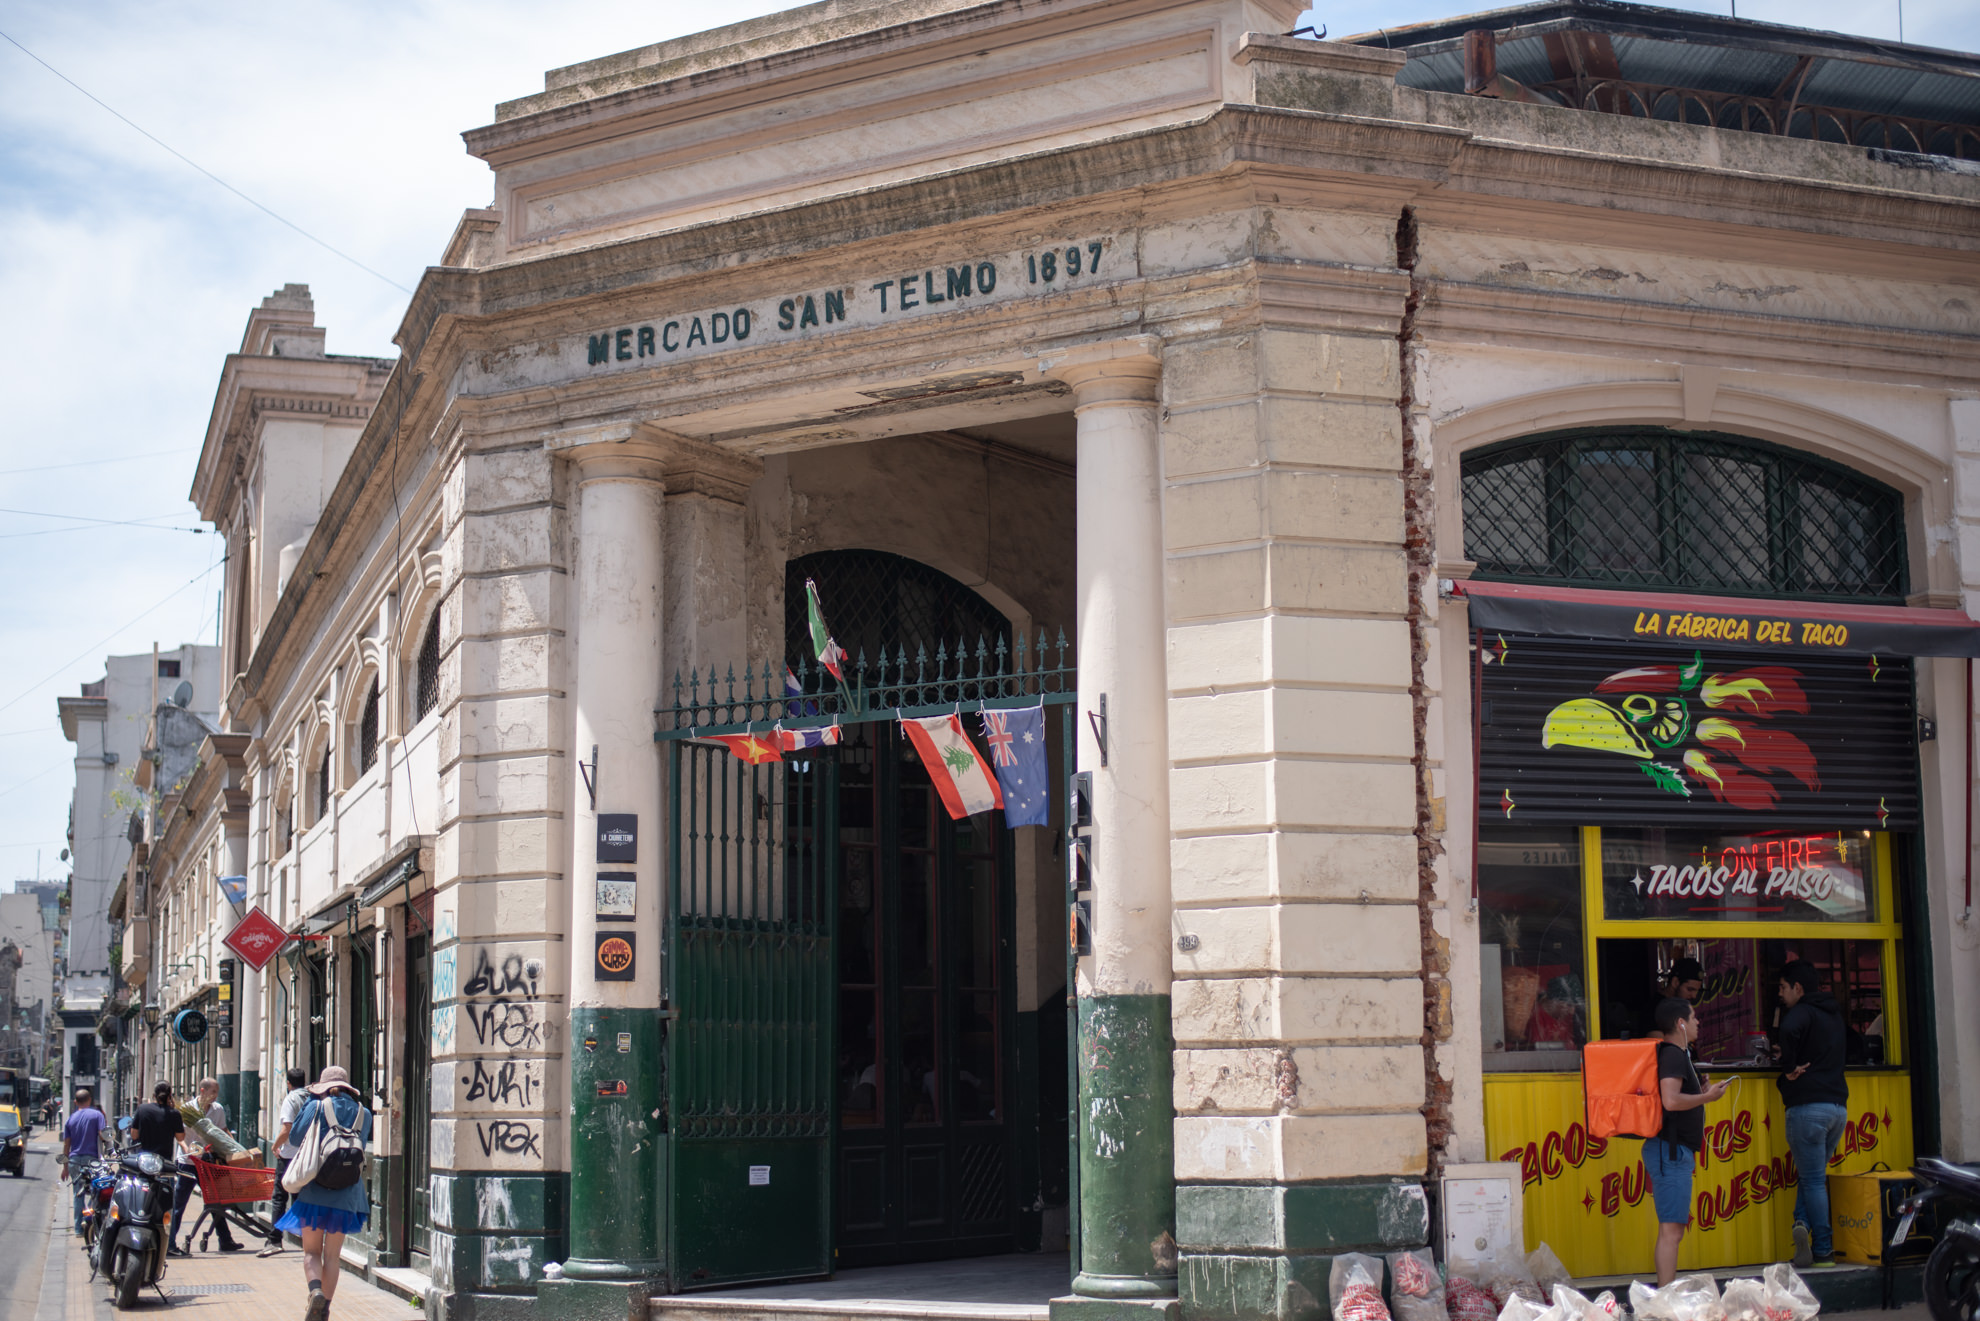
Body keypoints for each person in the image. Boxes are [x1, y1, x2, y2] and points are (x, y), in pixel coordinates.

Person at [274, 1066, 373, 1321]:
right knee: (332, 1256)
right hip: (348, 1192)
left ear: (324, 1087)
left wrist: (313, 1103)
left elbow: (294, 1138)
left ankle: (314, 1290)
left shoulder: (317, 1106)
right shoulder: (364, 1113)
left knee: (311, 1252)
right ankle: (324, 1310)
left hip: (316, 1190)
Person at [1644, 997, 1730, 1286]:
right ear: (1680, 1024)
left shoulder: (1679, 1056)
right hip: (1669, 1151)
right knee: (1672, 1231)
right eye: (1693, 1018)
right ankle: (1665, 1297)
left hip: (1672, 1151)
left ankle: (1665, 1295)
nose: (1698, 1023)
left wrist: (1701, 1090)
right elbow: (1670, 1100)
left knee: (1674, 1229)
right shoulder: (1673, 1055)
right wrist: (1708, 1096)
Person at [1776, 960, 1848, 1269]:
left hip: (1807, 1108)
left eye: (1782, 988)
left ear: (1798, 988)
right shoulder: (1833, 1014)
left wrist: (1788, 1066)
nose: (1780, 994)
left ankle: (1823, 1251)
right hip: (1837, 1109)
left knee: (1814, 1180)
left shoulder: (1801, 1011)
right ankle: (1801, 1223)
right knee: (1813, 1176)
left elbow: (1789, 1029)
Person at [171, 1077, 245, 1254]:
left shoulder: (217, 1109)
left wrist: (235, 1148)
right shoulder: (187, 1110)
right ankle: (170, 1243)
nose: (215, 1096)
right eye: (213, 1092)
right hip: (188, 1162)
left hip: (208, 1162)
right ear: (202, 1091)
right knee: (179, 1203)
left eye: (217, 1093)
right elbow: (179, 1135)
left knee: (215, 1201)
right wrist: (185, 1148)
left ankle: (225, 1240)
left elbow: (222, 1131)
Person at [262, 1067, 310, 1255]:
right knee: (301, 1197)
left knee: (279, 1197)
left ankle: (275, 1239)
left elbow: (286, 1128)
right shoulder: (311, 1098)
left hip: (289, 1155)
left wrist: (275, 1147)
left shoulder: (291, 1099)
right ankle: (308, 1238)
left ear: (288, 1083)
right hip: (307, 1156)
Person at [58, 1088, 107, 1237]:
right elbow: (102, 1134)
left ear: (75, 1102)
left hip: (74, 1160)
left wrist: (65, 1167)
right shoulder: (97, 1115)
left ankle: (78, 1229)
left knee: (77, 1194)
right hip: (92, 1160)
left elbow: (66, 1145)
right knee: (96, 1191)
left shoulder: (70, 1119)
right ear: (90, 1100)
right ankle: (91, 1220)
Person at [132, 1083, 186, 1162]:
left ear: (154, 1096)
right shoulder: (174, 1113)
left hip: (143, 1160)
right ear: (169, 1097)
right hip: (163, 1161)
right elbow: (180, 1138)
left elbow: (134, 1135)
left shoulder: (142, 1109)